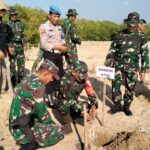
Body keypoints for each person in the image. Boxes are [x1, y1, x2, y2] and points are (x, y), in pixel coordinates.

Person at [9, 59, 65, 150]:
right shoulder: (38, 87)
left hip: (16, 120)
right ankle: (30, 143)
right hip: (20, 127)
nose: (51, 80)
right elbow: (42, 113)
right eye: (51, 77)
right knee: (60, 131)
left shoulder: (30, 76)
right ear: (45, 74)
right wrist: (53, 125)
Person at [104, 12, 149, 116]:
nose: (131, 27)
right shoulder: (119, 34)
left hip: (132, 67)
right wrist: (108, 65)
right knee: (115, 85)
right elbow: (112, 50)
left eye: (134, 25)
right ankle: (117, 106)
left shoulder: (141, 36)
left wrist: (144, 70)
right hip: (117, 65)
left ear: (137, 24)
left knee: (130, 87)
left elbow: (145, 54)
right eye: (129, 24)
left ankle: (127, 107)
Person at [48, 60, 98, 133]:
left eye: (84, 76)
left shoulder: (84, 79)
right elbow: (68, 97)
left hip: (73, 100)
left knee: (86, 105)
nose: (83, 78)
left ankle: (74, 114)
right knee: (64, 105)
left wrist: (94, 105)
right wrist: (80, 109)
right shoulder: (65, 80)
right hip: (62, 101)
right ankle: (67, 123)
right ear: (74, 72)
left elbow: (90, 91)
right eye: (81, 76)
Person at [39, 5, 68, 95]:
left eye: (58, 16)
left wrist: (63, 47)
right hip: (50, 55)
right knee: (49, 77)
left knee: (59, 76)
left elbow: (62, 39)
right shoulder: (44, 27)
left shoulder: (59, 27)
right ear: (49, 15)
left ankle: (57, 95)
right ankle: (49, 97)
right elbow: (44, 44)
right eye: (55, 16)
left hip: (59, 55)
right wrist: (59, 47)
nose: (57, 18)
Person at [7, 7, 27, 88]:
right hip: (12, 48)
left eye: (15, 14)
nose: (14, 16)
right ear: (10, 15)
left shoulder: (20, 23)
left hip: (20, 48)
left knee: (21, 65)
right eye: (13, 14)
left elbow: (24, 34)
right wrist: (8, 47)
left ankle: (20, 82)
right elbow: (5, 38)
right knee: (12, 66)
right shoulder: (6, 24)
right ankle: (13, 84)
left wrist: (25, 44)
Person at [0, 2, 13, 96]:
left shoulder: (2, 22)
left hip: (3, 50)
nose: (3, 13)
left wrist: (8, 48)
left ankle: (3, 88)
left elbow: (4, 38)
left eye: (4, 11)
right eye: (2, 10)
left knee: (6, 71)